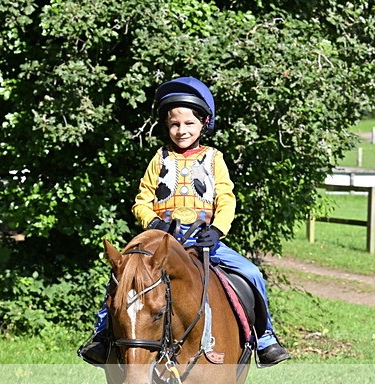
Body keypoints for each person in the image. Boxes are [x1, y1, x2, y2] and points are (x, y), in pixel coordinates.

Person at [78, 76, 289, 366]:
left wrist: (217, 230)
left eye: (189, 124)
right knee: (122, 277)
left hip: (203, 242)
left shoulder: (215, 158)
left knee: (251, 273)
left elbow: (226, 200)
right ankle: (101, 337)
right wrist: (154, 223)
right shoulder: (160, 158)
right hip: (162, 243)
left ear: (204, 123)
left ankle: (265, 337)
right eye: (175, 124)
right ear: (167, 125)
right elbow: (142, 200)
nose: (182, 130)